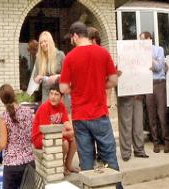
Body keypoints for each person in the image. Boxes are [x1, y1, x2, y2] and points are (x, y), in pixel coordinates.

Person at [59, 21, 122, 188]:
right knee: (109, 156)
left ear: (75, 36)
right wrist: (100, 85)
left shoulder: (69, 57)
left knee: (86, 160)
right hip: (100, 114)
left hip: (80, 117)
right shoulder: (103, 53)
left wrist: (76, 89)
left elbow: (63, 87)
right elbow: (114, 80)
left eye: (71, 38)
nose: (71, 41)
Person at [0, 84, 35, 189]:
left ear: (2, 100)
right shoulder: (28, 112)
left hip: (12, 166)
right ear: (14, 94)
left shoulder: (3, 117)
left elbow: (2, 143)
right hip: (29, 162)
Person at [31, 82, 77, 174]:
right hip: (40, 137)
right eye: (51, 93)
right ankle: (61, 166)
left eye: (56, 94)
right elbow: (48, 131)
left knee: (75, 139)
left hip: (54, 133)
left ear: (61, 97)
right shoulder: (44, 108)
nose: (53, 97)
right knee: (65, 143)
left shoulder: (61, 106)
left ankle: (68, 164)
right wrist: (66, 133)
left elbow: (66, 123)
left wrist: (73, 131)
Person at [140, 31, 169, 153]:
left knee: (162, 114)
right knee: (151, 116)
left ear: (149, 39)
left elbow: (159, 67)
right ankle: (156, 143)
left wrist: (148, 59)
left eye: (143, 40)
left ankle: (167, 141)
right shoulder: (139, 53)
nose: (141, 43)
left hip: (159, 83)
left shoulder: (159, 50)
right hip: (148, 84)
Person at [117, 70, 149, 161]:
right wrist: (117, 74)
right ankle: (126, 152)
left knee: (138, 125)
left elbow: (144, 74)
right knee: (125, 125)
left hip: (138, 95)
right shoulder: (121, 60)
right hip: (125, 95)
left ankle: (139, 150)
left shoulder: (141, 59)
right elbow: (113, 76)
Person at [33, 31, 65, 103]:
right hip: (46, 96)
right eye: (41, 42)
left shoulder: (60, 55)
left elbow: (67, 76)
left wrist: (57, 76)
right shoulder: (39, 58)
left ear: (50, 41)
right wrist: (38, 78)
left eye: (45, 41)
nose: (43, 44)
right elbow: (35, 78)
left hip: (59, 95)